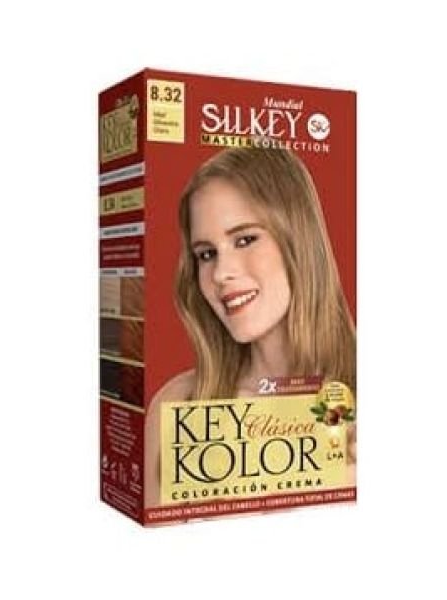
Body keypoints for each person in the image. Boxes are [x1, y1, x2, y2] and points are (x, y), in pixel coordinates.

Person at [145, 146, 356, 507]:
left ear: (298, 240)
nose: (221, 273)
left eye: (245, 239)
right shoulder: (178, 404)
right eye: (206, 254)